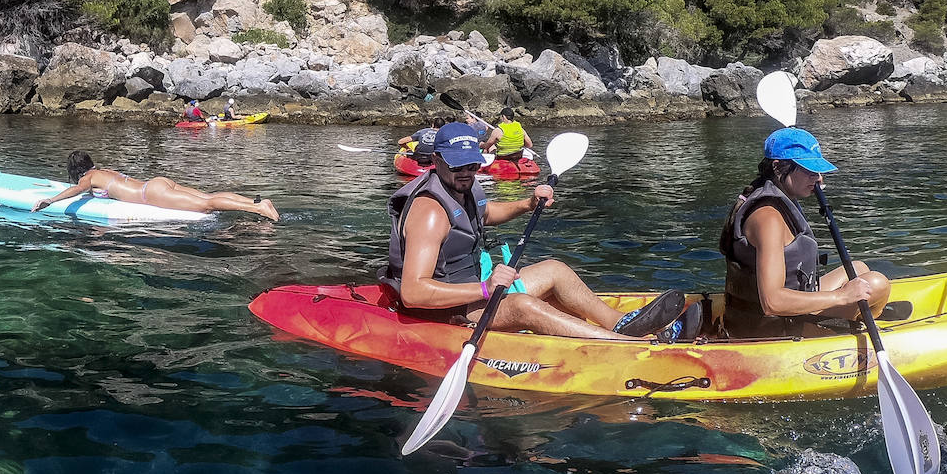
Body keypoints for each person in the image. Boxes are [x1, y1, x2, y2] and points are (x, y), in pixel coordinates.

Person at [380, 122, 683, 340]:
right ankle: (628, 347)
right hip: (444, 310)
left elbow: (485, 213)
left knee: (555, 269)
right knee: (524, 305)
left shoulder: (466, 187)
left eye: (471, 165)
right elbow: (413, 292)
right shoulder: (429, 213)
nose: (466, 173)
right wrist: (485, 289)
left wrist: (526, 203)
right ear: (435, 161)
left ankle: (622, 324)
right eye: (457, 166)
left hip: (472, 293)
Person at [718, 128, 890, 338]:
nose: (819, 180)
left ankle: (859, 320)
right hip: (772, 327)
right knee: (876, 284)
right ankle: (858, 329)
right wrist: (840, 297)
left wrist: (843, 295)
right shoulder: (768, 218)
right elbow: (772, 302)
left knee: (858, 268)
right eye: (810, 171)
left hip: (788, 311)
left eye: (819, 172)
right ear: (778, 167)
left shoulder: (775, 193)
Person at [31, 151, 279, 221]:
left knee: (206, 205)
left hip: (151, 194)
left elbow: (77, 189)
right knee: (208, 195)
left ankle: (258, 210)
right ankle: (255, 202)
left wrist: (50, 200)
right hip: (156, 182)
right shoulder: (104, 171)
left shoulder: (89, 178)